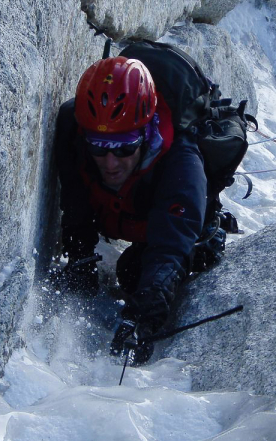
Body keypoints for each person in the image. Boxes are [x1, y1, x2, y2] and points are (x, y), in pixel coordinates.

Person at [53, 54, 224, 364]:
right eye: (98, 147)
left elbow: (169, 249)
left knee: (134, 275)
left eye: (124, 147)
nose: (110, 162)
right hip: (121, 213)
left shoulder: (181, 165)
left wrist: (143, 315)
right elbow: (75, 200)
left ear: (147, 134)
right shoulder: (73, 128)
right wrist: (80, 255)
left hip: (170, 222)